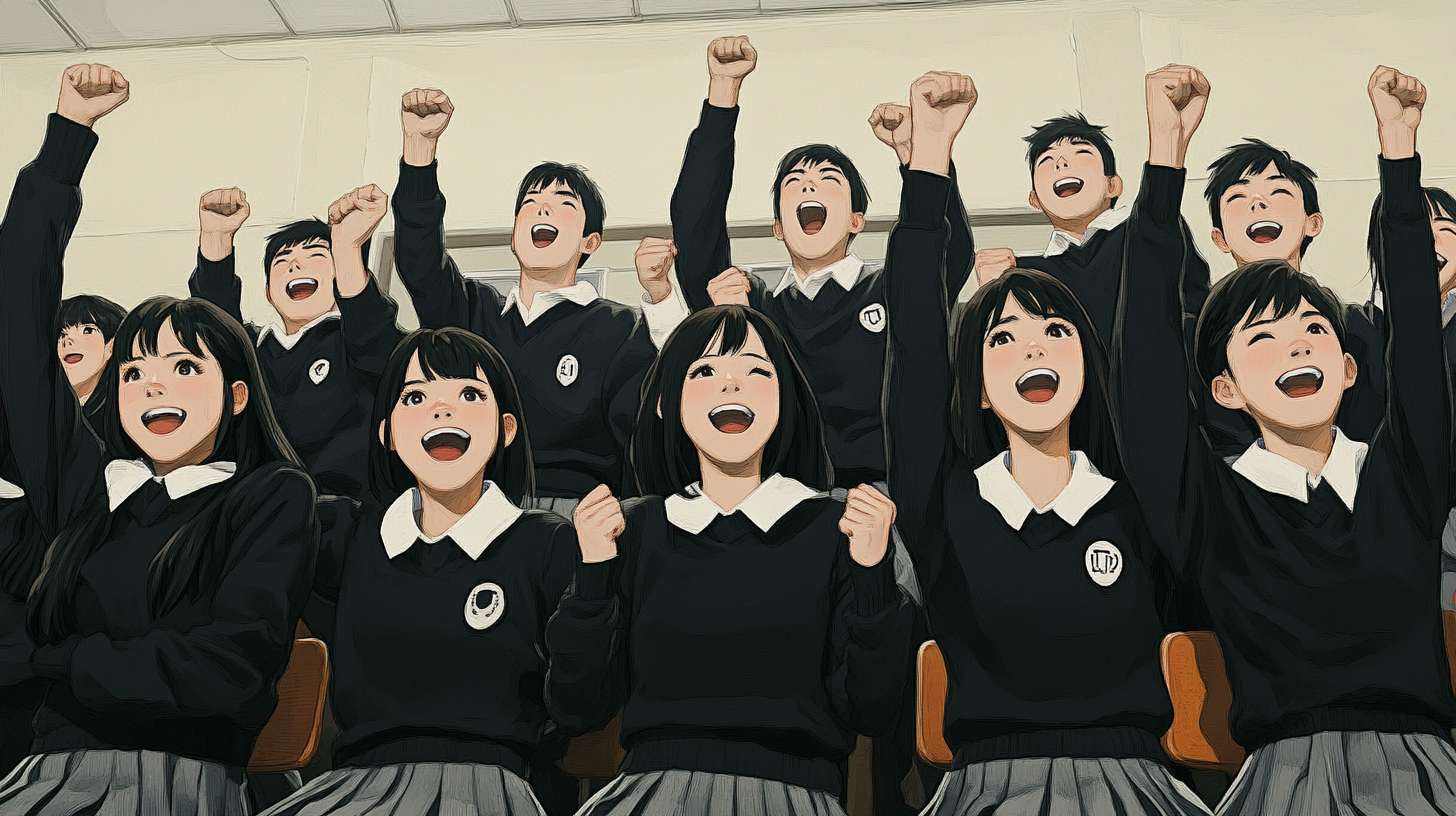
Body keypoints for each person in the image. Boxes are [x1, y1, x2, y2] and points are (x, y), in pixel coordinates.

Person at [1113, 65, 1456, 815]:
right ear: (1225, 389)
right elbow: (1141, 356)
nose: (1297, 349)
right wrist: (1166, 151)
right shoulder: (1208, 503)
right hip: (1281, 780)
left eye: (1312, 332)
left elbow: (1421, 343)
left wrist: (1398, 147)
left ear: (1349, 365)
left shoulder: (1406, 477)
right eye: (1262, 339)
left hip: (1429, 773)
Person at [882, 66, 1210, 816]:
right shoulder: (943, 502)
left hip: (1139, 787)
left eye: (1057, 331)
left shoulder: (1143, 498)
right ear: (979, 382)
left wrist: (1165, 153)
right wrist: (929, 153)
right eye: (1006, 336)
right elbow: (916, 346)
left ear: (1090, 369)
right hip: (982, 789)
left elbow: (1154, 333)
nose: (1034, 348)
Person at [0, 64, 319, 816]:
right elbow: (16, 314)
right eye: (135, 371)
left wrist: (55, 660)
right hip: (45, 774)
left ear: (236, 394)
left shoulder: (271, 495)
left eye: (183, 367)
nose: (153, 387)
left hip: (185, 780)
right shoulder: (84, 484)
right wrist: (66, 143)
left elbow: (224, 672)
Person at [546, 305, 914, 816]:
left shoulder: (836, 528)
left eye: (757, 371)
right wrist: (591, 577)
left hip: (795, 793)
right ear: (663, 403)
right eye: (705, 371)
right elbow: (576, 706)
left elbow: (871, 709)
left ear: (785, 399)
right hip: (648, 790)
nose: (731, 387)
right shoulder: (635, 528)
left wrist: (874, 577)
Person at [260, 327, 574, 816]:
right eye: (416, 397)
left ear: (506, 428)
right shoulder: (347, 532)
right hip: (352, 786)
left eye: (469, 394)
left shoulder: (546, 540)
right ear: (386, 432)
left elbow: (579, 700)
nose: (441, 410)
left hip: (492, 786)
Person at [391, 88, 662, 520]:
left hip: (574, 515)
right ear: (514, 235)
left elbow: (642, 439)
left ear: (590, 241)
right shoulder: (474, 311)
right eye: (531, 205)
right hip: (471, 507)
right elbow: (419, 262)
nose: (542, 213)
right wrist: (420, 148)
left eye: (563, 206)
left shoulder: (620, 327)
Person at [188, 184, 404, 499]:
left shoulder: (356, 346)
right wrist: (216, 238)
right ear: (268, 293)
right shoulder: (253, 350)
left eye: (316, 255)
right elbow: (213, 325)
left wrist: (346, 247)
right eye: (282, 261)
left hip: (339, 518)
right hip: (252, 514)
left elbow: (372, 332)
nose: (295, 265)